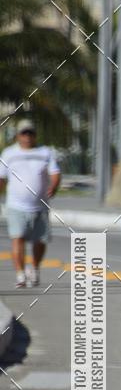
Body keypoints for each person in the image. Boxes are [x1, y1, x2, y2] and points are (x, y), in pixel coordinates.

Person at [0, 119, 61, 288]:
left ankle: (34, 268)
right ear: (18, 136)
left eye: (30, 133)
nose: (27, 136)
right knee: (17, 238)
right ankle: (20, 274)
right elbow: (1, 178)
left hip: (40, 206)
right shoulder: (8, 154)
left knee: (40, 241)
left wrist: (54, 186)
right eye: (24, 133)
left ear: (35, 135)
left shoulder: (45, 152)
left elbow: (55, 173)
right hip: (16, 205)